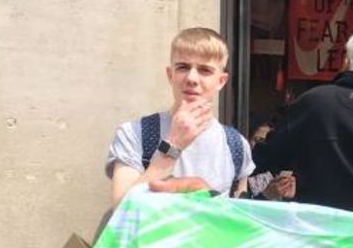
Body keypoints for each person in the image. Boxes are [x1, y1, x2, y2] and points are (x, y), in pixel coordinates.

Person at [252, 30, 353, 213]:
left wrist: (253, 189)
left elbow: (268, 157)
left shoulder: (312, 102)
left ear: (347, 61)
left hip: (314, 223)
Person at [106, 28, 255, 206]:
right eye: (183, 67)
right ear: (170, 75)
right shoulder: (134, 134)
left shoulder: (236, 145)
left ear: (221, 81)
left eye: (205, 70)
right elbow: (121, 211)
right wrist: (172, 145)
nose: (192, 78)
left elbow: (239, 215)